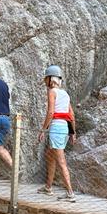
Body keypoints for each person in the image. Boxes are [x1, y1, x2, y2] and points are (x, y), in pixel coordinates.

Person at [36, 66, 78, 202]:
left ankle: (70, 193)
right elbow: (71, 114)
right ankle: (48, 187)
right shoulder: (65, 94)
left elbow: (50, 112)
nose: (45, 81)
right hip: (64, 128)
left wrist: (43, 130)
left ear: (50, 79)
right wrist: (72, 133)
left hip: (56, 129)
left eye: (46, 78)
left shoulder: (52, 92)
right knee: (50, 156)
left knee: (61, 161)